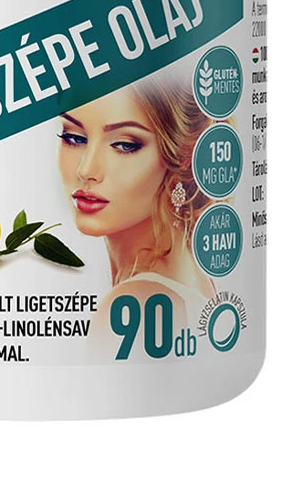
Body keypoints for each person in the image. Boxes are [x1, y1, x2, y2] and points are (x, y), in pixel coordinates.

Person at [57, 73, 216, 356]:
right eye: (74, 138)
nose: (87, 170)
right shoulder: (190, 274)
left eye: (124, 145)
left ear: (183, 154)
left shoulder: (134, 303)